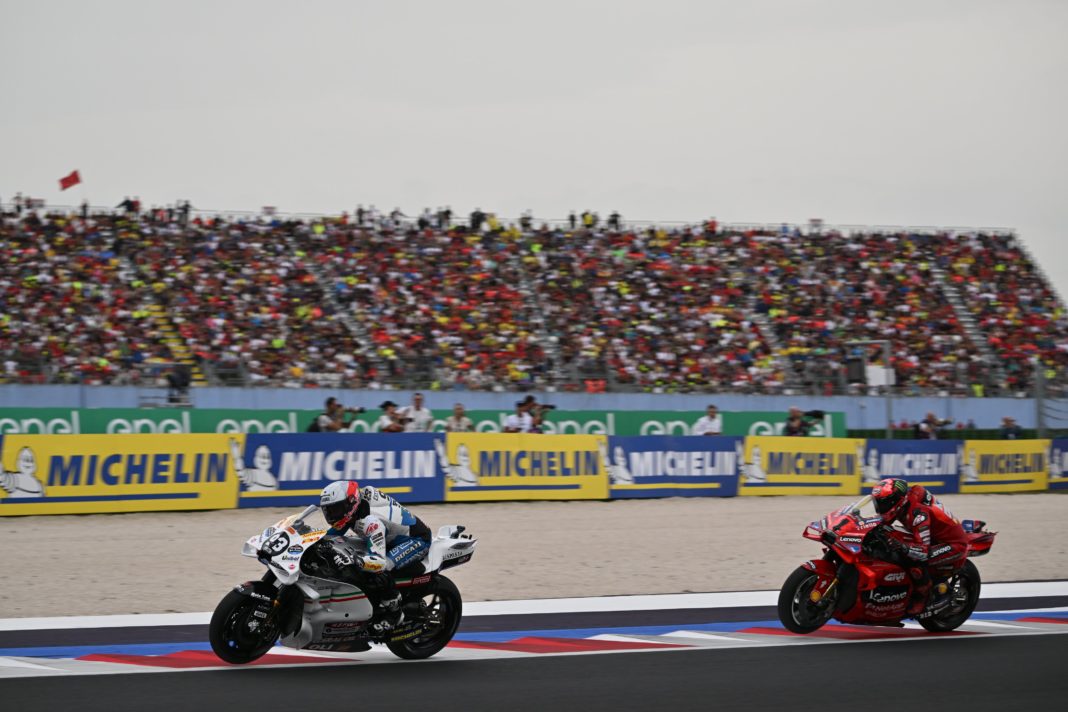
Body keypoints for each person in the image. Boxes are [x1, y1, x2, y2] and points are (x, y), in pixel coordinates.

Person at [319, 481, 432, 635]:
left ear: (351, 503)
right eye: (329, 511)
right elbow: (330, 536)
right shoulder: (354, 508)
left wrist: (355, 560)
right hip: (388, 536)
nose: (332, 515)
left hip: (415, 540)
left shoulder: (371, 522)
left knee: (379, 570)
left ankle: (395, 614)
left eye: (336, 509)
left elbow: (379, 563)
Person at [870, 478, 969, 617]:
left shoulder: (918, 514)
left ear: (897, 501)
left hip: (953, 544)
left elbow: (923, 551)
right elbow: (882, 522)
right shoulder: (903, 503)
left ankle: (923, 596)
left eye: (883, 503)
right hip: (934, 538)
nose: (880, 507)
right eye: (878, 502)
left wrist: (903, 547)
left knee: (914, 559)